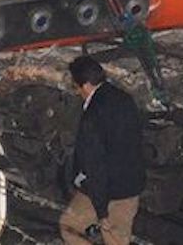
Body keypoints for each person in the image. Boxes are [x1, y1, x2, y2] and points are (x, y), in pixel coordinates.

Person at [60, 57, 145, 245]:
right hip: (131, 186)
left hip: (108, 193)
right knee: (117, 239)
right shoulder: (124, 98)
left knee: (71, 227)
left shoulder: (92, 116)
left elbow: (95, 166)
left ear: (84, 85)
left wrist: (101, 212)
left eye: (76, 86)